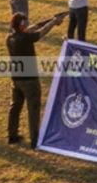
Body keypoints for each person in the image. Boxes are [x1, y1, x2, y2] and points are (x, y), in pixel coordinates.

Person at [6, 11, 66, 147]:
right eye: (24, 24)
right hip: (30, 81)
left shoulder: (9, 38)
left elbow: (33, 28)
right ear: (21, 26)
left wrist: (50, 19)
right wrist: (53, 22)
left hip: (16, 80)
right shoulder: (26, 39)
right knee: (33, 109)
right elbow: (40, 33)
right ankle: (35, 140)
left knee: (15, 107)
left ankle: (12, 135)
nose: (26, 25)